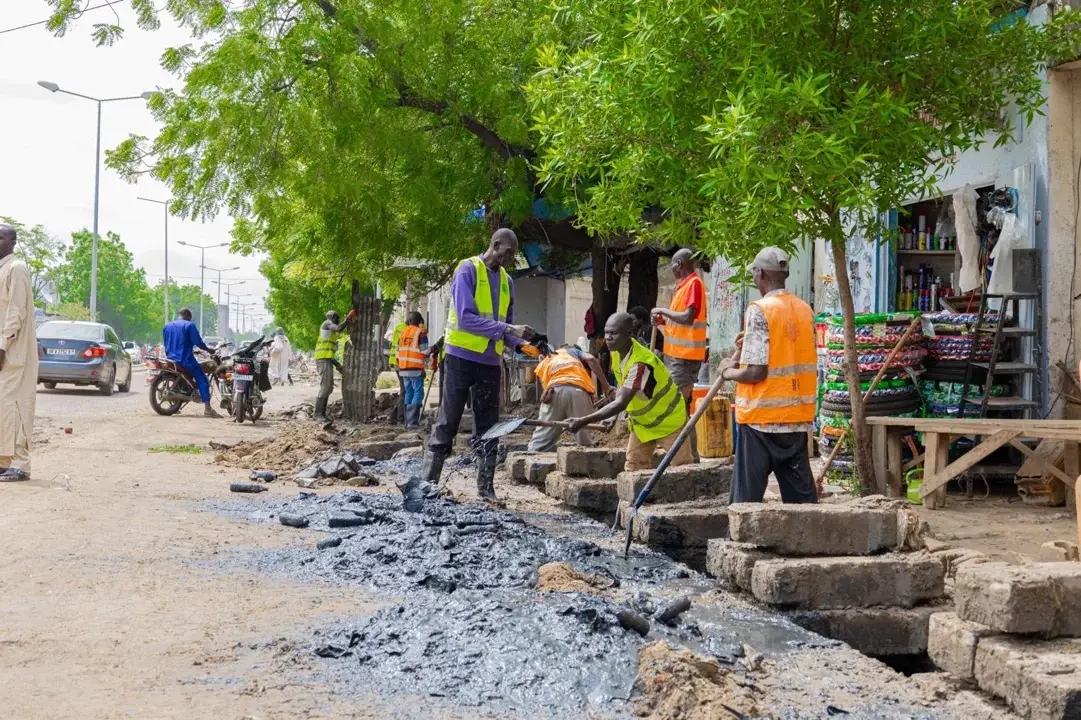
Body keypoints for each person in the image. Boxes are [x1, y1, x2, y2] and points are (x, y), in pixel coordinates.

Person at [407, 228, 535, 508]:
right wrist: (509, 329)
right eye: (508, 252)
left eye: (513, 254)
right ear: (495, 244)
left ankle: (486, 488)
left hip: (489, 362)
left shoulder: (506, 281)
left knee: (489, 426)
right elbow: (466, 319)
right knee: (448, 420)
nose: (510, 258)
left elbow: (505, 328)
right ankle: (428, 484)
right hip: (460, 359)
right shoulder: (467, 270)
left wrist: (523, 345)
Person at [718, 247, 817, 504]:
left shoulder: (760, 310)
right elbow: (787, 348)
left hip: (761, 420)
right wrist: (751, 339)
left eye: (754, 273)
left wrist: (727, 371)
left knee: (745, 504)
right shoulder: (805, 310)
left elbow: (756, 372)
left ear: (760, 274)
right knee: (802, 505)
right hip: (796, 419)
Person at [567, 312, 690, 472]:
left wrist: (583, 421)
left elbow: (621, 402)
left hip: (668, 421)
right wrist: (612, 416)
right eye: (606, 332)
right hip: (642, 424)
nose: (608, 337)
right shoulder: (617, 354)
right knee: (633, 469)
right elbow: (623, 389)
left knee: (683, 470)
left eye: (613, 333)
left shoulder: (640, 363)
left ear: (630, 334)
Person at [0, 224, 37, 482]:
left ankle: (20, 464)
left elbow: (16, 310)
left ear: (12, 242)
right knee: (3, 407)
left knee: (15, 405)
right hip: (4, 349)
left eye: (0, 237)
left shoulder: (17, 268)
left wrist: (3, 345)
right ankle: (4, 461)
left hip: (13, 351)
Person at [528, 342, 612, 452]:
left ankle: (531, 455)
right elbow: (591, 359)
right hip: (579, 391)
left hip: (554, 391)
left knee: (541, 441)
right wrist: (606, 387)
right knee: (585, 440)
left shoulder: (547, 359)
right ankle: (588, 458)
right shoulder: (573, 351)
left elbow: (546, 392)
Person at [652, 248, 708, 403]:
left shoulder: (694, 284)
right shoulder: (683, 287)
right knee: (676, 402)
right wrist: (663, 321)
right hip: (676, 355)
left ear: (679, 264)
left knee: (676, 402)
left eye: (672, 265)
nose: (672, 269)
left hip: (684, 357)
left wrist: (661, 310)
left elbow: (687, 317)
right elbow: (680, 320)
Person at [163, 308, 222, 418]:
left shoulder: (168, 326)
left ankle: (177, 405)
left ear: (180, 315)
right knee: (202, 379)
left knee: (189, 376)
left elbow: (168, 343)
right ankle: (208, 408)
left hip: (170, 358)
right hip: (185, 359)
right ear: (188, 316)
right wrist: (209, 350)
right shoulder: (189, 325)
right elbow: (198, 342)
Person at [314, 308, 357, 421]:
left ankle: (321, 414)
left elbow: (329, 353)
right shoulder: (327, 323)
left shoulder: (330, 333)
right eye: (337, 318)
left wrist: (338, 366)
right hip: (322, 359)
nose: (338, 321)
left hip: (326, 359)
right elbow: (338, 328)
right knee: (325, 386)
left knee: (328, 387)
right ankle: (318, 414)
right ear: (332, 317)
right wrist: (348, 319)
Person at [396, 311, 429, 428]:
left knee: (408, 392)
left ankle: (407, 422)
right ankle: (413, 422)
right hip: (415, 368)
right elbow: (425, 352)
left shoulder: (402, 333)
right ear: (420, 322)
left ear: (409, 321)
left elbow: (398, 352)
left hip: (403, 368)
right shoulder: (420, 333)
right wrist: (434, 349)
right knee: (418, 392)